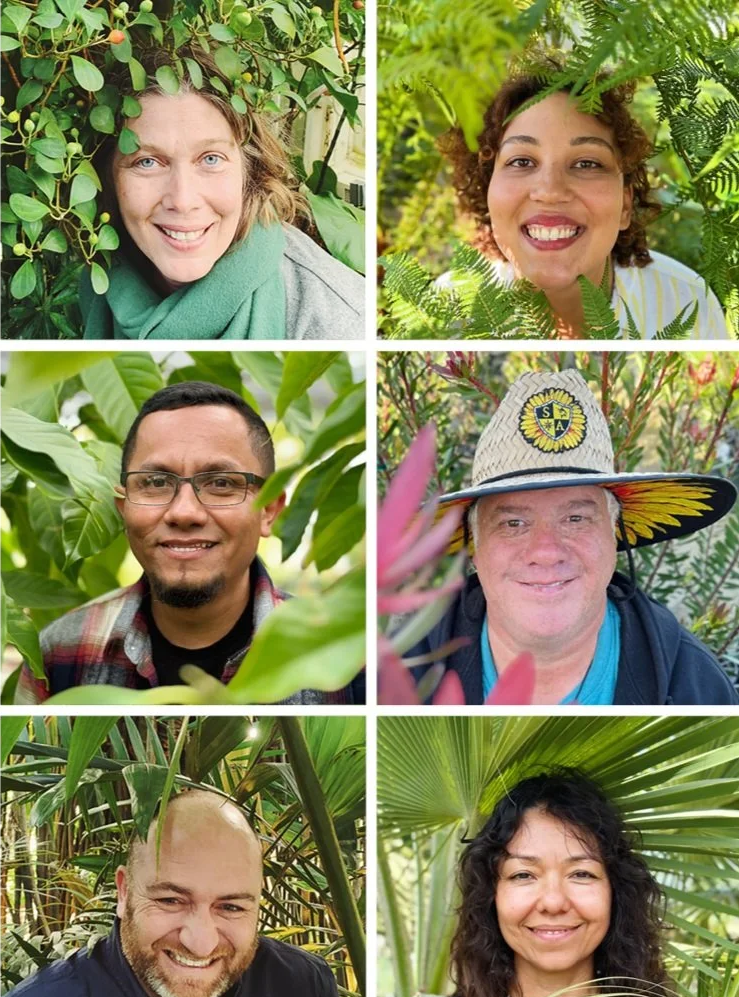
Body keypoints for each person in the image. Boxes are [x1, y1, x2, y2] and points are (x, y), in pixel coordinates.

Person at [402, 367, 739, 704]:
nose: (546, 552)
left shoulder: (698, 690)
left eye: (575, 519)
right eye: (513, 524)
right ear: (474, 547)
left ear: (614, 535)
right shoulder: (391, 676)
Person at [14, 381, 364, 703]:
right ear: (124, 509)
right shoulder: (61, 650)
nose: (184, 512)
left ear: (268, 511)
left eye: (222, 483)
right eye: (154, 482)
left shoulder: (350, 660)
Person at [0, 789, 348, 997]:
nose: (201, 943)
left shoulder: (304, 990)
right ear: (124, 892)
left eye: (231, 907)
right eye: (171, 900)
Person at [398, 769, 713, 997]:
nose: (553, 902)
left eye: (581, 874)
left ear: (615, 892)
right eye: (524, 874)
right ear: (491, 896)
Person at [78, 49, 364, 340]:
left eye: (210, 159)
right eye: (147, 162)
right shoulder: (99, 280)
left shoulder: (338, 323)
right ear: (108, 178)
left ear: (249, 171)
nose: (183, 200)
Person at [437, 62, 731, 339]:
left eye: (587, 164)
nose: (550, 191)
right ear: (489, 192)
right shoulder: (446, 313)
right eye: (522, 161)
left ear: (626, 206)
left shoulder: (686, 302)